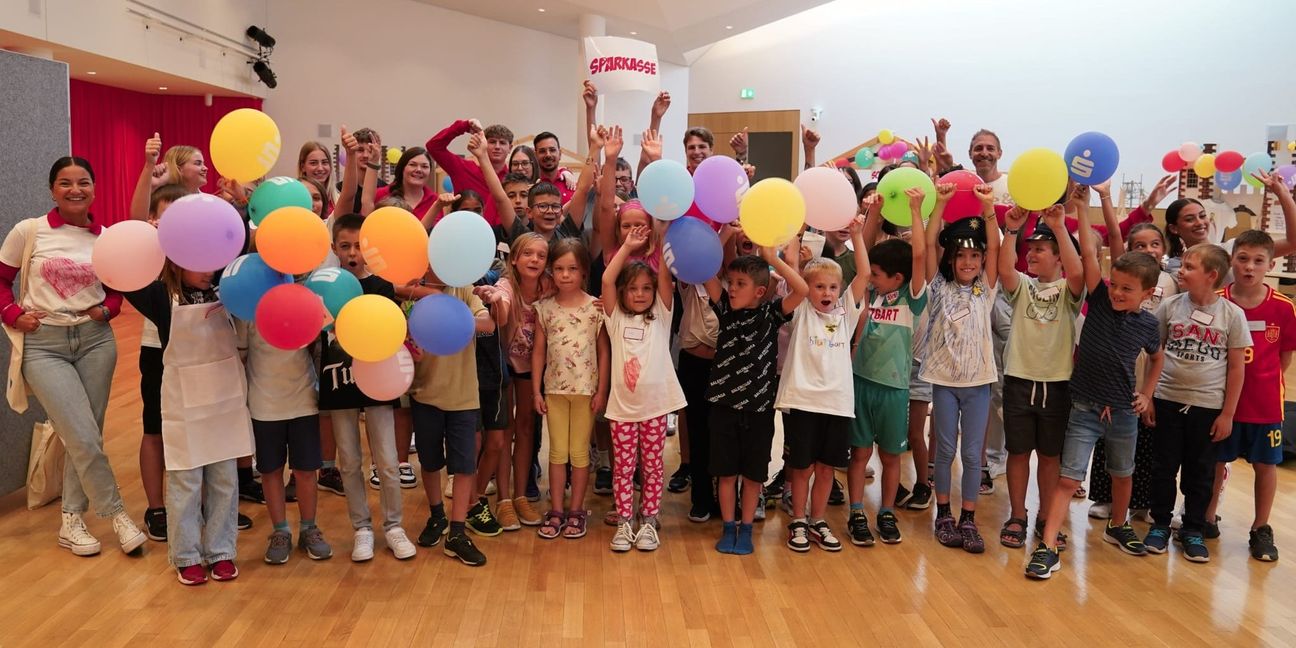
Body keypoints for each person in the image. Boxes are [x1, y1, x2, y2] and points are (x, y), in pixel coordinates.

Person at [0, 157, 144, 557]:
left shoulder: (107, 237)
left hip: (96, 341)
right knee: (80, 434)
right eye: (65, 183)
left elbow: (118, 284)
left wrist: (109, 309)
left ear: (94, 189)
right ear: (52, 190)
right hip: (44, 345)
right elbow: (1, 280)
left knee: (89, 435)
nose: (75, 189)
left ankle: (71, 519)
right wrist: (13, 314)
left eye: (83, 182)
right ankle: (116, 514)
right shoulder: (30, 231)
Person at [1025, 215, 1163, 579]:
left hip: (1122, 412)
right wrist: (1081, 209)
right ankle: (1048, 545)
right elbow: (1088, 255)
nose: (1117, 292)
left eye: (1127, 289)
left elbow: (1157, 355)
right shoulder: (1100, 299)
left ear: (1148, 294)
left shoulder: (1149, 324)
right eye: (1115, 284)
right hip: (1084, 408)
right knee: (1069, 480)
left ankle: (1119, 525)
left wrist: (1147, 393)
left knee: (1122, 473)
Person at [124, 262, 253, 585]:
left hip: (223, 398)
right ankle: (187, 555)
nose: (207, 271)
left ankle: (222, 551)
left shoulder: (227, 290)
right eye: (197, 265)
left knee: (224, 479)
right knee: (186, 480)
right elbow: (126, 277)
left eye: (209, 263)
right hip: (184, 400)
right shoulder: (160, 297)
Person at [318, 214, 417, 562]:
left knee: (388, 461)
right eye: (344, 246)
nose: (353, 253)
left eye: (359, 245)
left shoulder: (382, 285)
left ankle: (393, 526)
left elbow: (390, 331)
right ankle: (361, 527)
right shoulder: (325, 284)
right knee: (348, 461)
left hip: (378, 382)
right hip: (338, 379)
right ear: (334, 248)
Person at [1142, 243, 1250, 563]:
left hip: (1207, 408)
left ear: (1211, 275)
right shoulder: (1170, 307)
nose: (1181, 270)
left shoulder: (1232, 315)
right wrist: (1148, 396)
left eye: (1189, 267)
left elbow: (1235, 367)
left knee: (1200, 472)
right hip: (1166, 400)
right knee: (1163, 467)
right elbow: (1154, 355)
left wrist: (1228, 413)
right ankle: (1160, 523)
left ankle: (1193, 528)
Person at [702, 247, 809, 555]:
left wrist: (773, 259)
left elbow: (801, 289)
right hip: (723, 408)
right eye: (731, 282)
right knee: (725, 473)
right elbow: (708, 270)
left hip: (759, 411)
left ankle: (746, 527)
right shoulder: (723, 309)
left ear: (760, 291)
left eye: (740, 284)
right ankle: (728, 526)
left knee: (752, 476)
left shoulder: (771, 313)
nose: (732, 289)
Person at [778, 214, 869, 553]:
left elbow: (864, 274)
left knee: (827, 468)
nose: (826, 292)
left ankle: (818, 520)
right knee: (801, 468)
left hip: (837, 403)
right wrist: (798, 230)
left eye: (832, 287)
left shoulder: (846, 311)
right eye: (819, 286)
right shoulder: (801, 309)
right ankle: (798, 519)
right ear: (808, 289)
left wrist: (858, 234)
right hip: (803, 402)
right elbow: (790, 262)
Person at [996, 204, 1085, 550]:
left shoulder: (1068, 291)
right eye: (1029, 249)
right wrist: (1012, 231)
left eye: (1040, 249)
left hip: (1057, 385)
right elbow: (1005, 270)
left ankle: (1047, 517)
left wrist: (1060, 229)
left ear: (1059, 257)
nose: (1031, 254)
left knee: (1050, 457)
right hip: (1019, 379)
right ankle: (1018, 514)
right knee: (1017, 453)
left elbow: (1078, 274)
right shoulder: (1023, 287)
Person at [921, 183, 1000, 554]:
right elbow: (927, 247)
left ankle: (968, 517)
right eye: (960, 257)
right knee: (944, 451)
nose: (968, 263)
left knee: (972, 455)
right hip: (944, 381)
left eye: (975, 257)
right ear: (950, 260)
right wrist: (939, 204)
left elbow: (996, 246)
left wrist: (989, 209)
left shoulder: (986, 287)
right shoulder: (938, 287)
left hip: (979, 383)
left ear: (982, 262)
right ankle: (943, 514)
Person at [845, 190, 927, 547]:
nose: (872, 277)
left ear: (898, 277)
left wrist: (914, 210)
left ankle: (887, 511)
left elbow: (920, 256)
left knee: (891, 455)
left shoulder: (912, 298)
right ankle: (857, 511)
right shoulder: (870, 295)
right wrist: (873, 215)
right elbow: (864, 255)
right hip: (860, 384)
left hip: (895, 391)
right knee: (860, 454)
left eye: (878, 274)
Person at [1207, 230, 1295, 562]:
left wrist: (1265, 380)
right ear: (1232, 261)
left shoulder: (1283, 307)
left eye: (1259, 261)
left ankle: (1261, 528)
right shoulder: (1217, 300)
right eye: (1243, 259)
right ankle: (1208, 516)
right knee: (1216, 461)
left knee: (1266, 465)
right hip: (1221, 401)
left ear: (1271, 264)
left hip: (1265, 404)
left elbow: (1285, 355)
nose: (1249, 267)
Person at [601, 226, 684, 552]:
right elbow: (607, 280)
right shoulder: (616, 318)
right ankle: (624, 523)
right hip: (622, 410)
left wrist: (661, 239)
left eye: (646, 289)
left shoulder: (661, 317)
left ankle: (648, 521)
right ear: (623, 293)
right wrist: (628, 246)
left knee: (652, 468)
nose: (640, 294)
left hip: (654, 408)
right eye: (633, 288)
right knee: (623, 470)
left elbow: (665, 277)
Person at [409, 267, 495, 566]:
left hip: (463, 397)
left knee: (464, 466)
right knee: (430, 462)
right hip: (424, 393)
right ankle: (437, 516)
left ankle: (457, 532)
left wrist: (454, 317)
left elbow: (488, 323)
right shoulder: (411, 292)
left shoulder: (465, 287)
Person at [236, 302, 332, 564]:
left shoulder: (307, 299)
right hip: (264, 404)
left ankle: (309, 528)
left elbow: (320, 340)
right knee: (271, 470)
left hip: (303, 399)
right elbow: (241, 355)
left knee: (305, 470)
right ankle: (280, 531)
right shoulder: (247, 307)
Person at [532, 239, 609, 540]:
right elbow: (538, 351)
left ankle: (576, 510)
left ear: (583, 272)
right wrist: (537, 391)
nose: (565, 275)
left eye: (572, 269)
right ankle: (557, 509)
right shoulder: (544, 309)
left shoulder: (595, 308)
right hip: (553, 391)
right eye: (559, 269)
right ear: (551, 271)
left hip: (586, 391)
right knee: (556, 453)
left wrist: (601, 390)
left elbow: (604, 352)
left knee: (579, 453)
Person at [135, 183, 188, 542]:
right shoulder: (145, 261)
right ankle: (157, 508)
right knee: (155, 427)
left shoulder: (201, 259)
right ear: (153, 220)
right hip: (157, 351)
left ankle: (200, 504)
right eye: (164, 218)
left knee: (194, 429)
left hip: (198, 355)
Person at [496, 232, 552, 527]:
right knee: (504, 431)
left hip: (534, 369)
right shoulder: (505, 285)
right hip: (506, 365)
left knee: (527, 428)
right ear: (514, 259)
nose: (534, 260)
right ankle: (503, 499)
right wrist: (495, 302)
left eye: (541, 256)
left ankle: (520, 495)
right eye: (528, 254)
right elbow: (502, 309)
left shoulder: (549, 287)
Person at [426, 119, 512, 227]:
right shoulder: (463, 168)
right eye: (492, 142)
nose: (497, 147)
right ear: (483, 142)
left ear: (510, 148)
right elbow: (433, 146)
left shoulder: (512, 179)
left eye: (502, 142)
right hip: (464, 234)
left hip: (504, 238)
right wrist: (464, 126)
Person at [376, 147, 438, 220]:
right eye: (413, 165)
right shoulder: (381, 194)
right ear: (402, 168)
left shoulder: (435, 200)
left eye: (424, 166)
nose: (419, 170)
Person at [297, 140, 335, 215]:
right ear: (302, 167)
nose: (320, 168)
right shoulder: (293, 196)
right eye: (313, 163)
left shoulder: (338, 199)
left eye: (324, 162)